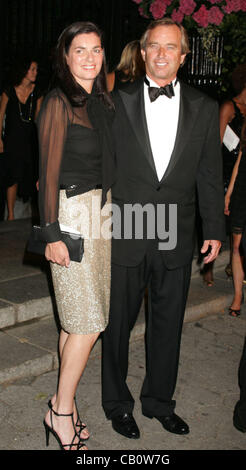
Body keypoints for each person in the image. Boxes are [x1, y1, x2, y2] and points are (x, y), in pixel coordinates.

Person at [101, 18, 225, 439]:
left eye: (170, 47)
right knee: (117, 325)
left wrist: (215, 228)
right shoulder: (115, 102)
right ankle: (117, 404)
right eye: (154, 45)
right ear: (142, 51)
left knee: (168, 324)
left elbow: (210, 173)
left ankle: (158, 402)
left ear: (183, 57)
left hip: (176, 230)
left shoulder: (206, 108)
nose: (161, 53)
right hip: (126, 228)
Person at [38, 21, 115, 450]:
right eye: (80, 50)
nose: (89, 58)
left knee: (75, 320)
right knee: (88, 322)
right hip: (69, 216)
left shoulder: (100, 101)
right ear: (65, 57)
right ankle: (61, 413)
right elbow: (46, 175)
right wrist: (51, 234)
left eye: (97, 49)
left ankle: (59, 399)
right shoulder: (57, 102)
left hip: (100, 216)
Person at [202, 64, 246, 287]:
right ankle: (208, 268)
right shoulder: (229, 106)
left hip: (240, 170)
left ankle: (232, 264)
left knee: (236, 225)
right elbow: (215, 142)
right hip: (224, 169)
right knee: (218, 220)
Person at [0, 58, 43, 220]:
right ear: (24, 70)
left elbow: (39, 119)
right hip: (12, 139)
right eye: (32, 69)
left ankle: (37, 215)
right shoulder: (8, 91)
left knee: (32, 176)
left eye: (36, 69)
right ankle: (10, 215)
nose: (35, 73)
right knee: (13, 175)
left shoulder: (37, 92)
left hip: (30, 139)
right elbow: (0, 116)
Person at [225, 117, 246, 316]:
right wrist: (229, 194)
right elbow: (240, 162)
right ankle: (238, 295)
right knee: (237, 246)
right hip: (242, 192)